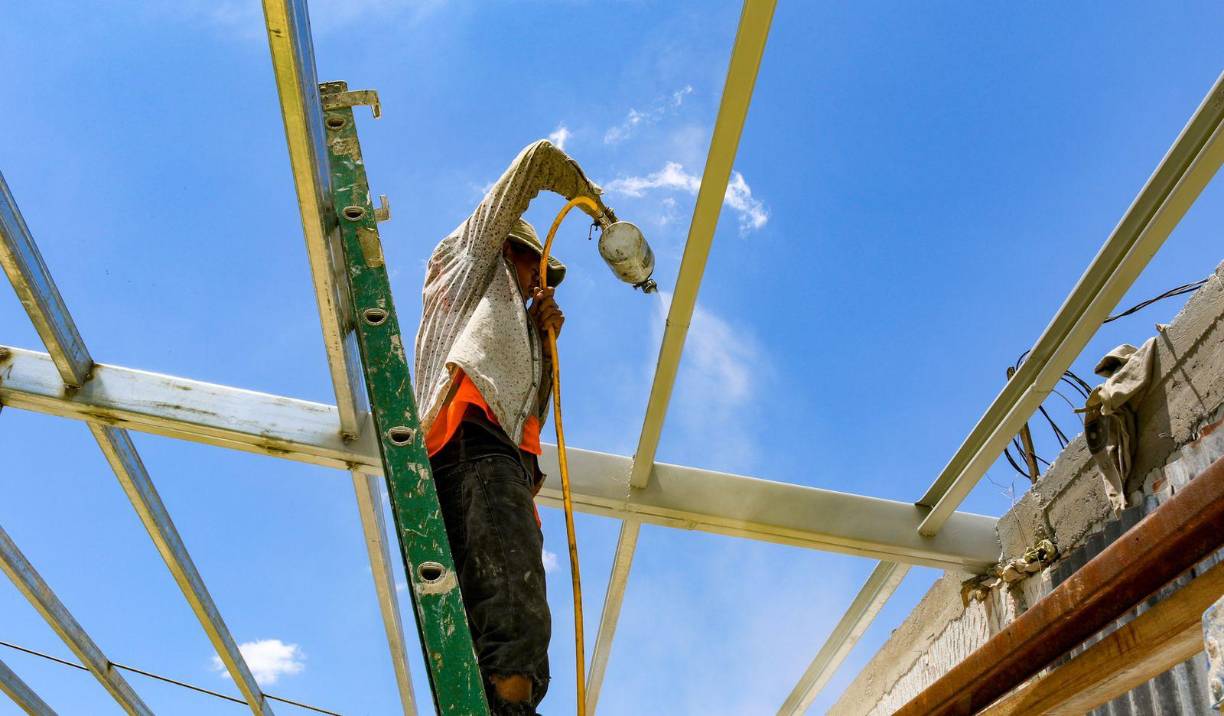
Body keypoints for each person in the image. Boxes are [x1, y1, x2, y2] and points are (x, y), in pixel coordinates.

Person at [413, 139, 615, 714]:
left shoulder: (522, 331)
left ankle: (499, 704)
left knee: (504, 612)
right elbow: (533, 164)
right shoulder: (469, 268)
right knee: (514, 613)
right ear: (509, 248)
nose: (540, 280)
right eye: (536, 265)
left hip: (503, 466)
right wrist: (595, 206)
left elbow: (530, 417)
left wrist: (546, 347)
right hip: (472, 450)